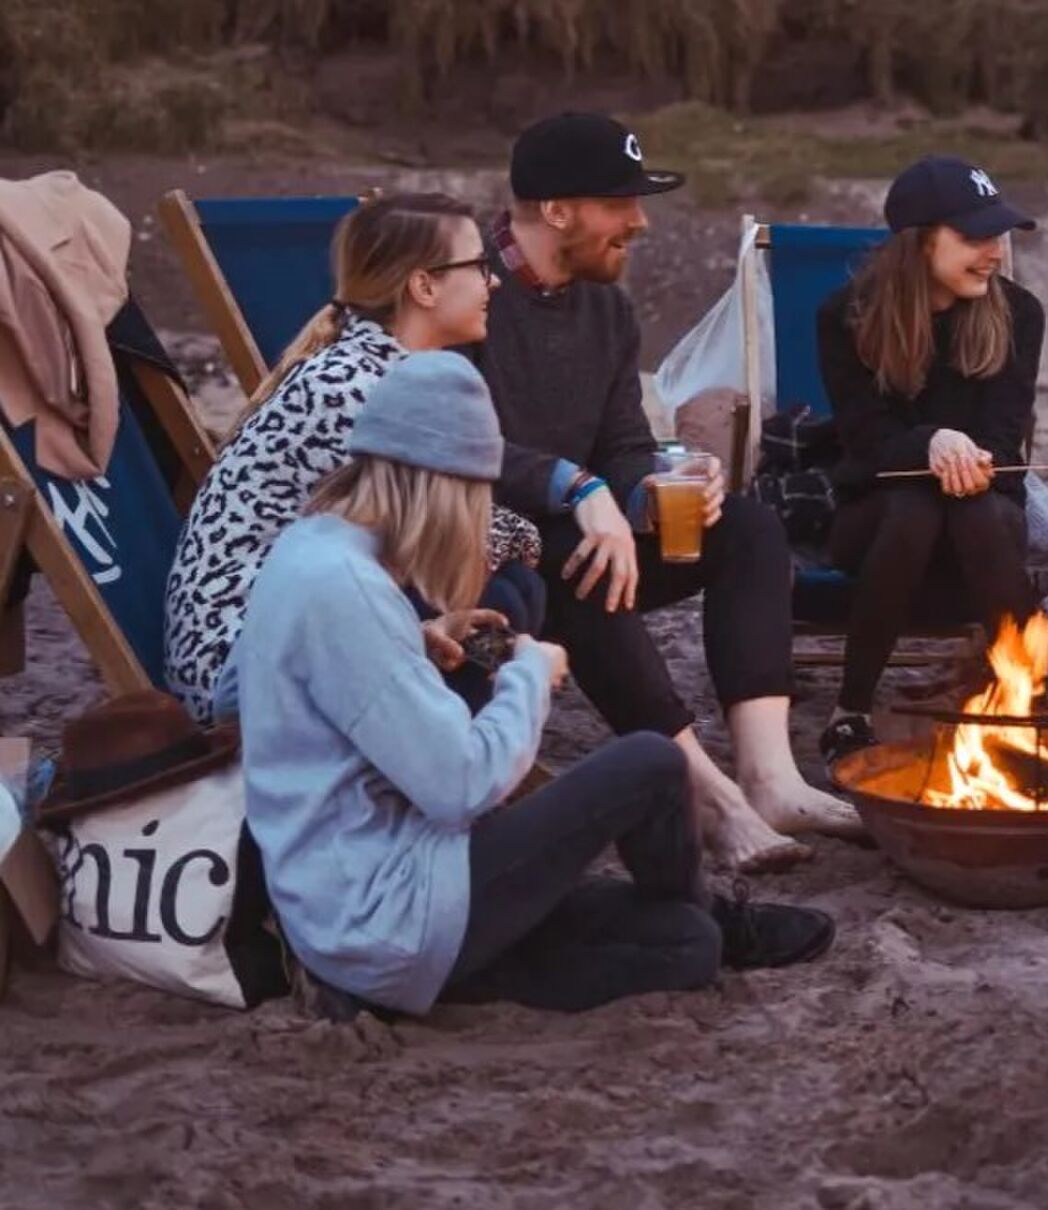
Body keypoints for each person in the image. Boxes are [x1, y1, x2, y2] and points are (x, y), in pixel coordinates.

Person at [235, 353, 833, 1021]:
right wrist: (529, 675)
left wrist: (420, 640)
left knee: (684, 946)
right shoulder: (342, 589)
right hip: (390, 910)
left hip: (366, 912)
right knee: (651, 762)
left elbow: (336, 698)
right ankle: (713, 909)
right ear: (439, 484)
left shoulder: (315, 550)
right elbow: (459, 785)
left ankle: (701, 921)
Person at [471, 111, 863, 873]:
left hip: (593, 527)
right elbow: (456, 443)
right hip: (489, 547)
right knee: (579, 560)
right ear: (557, 211)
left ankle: (769, 778)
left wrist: (656, 484)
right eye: (620, 204)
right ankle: (708, 798)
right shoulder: (466, 292)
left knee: (747, 526)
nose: (640, 222)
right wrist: (580, 490)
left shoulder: (607, 309)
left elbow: (620, 440)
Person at [164, 193, 545, 723]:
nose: (494, 281)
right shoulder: (356, 390)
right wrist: (535, 527)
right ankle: (442, 751)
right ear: (424, 285)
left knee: (511, 588)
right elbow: (445, 541)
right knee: (505, 585)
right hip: (244, 673)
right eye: (479, 266)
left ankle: (450, 738)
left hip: (291, 628)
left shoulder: (365, 366)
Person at [812, 155, 1044, 762]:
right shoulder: (847, 317)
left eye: (997, 235)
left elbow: (1003, 436)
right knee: (914, 506)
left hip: (985, 520)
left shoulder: (1019, 315)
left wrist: (969, 459)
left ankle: (1021, 704)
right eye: (974, 237)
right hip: (878, 520)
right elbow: (866, 444)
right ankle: (852, 708)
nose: (994, 252)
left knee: (975, 509)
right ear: (919, 243)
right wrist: (932, 441)